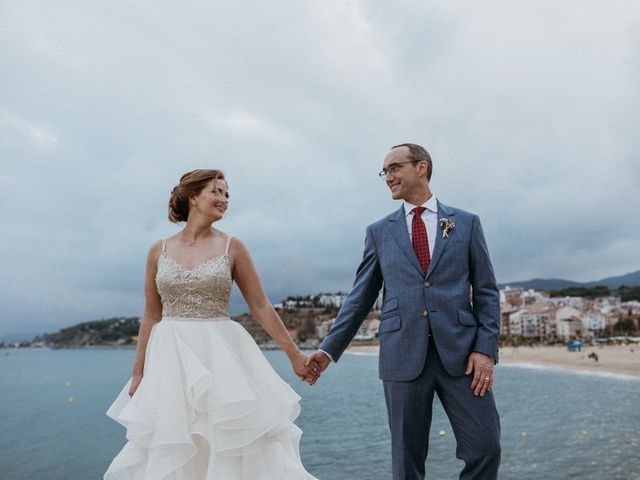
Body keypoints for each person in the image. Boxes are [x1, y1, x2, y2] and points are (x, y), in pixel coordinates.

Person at [105, 169, 320, 479]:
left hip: (221, 357)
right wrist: (138, 374)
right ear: (193, 197)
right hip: (171, 360)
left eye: (227, 194)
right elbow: (151, 314)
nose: (224, 199)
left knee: (227, 441)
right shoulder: (158, 250)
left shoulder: (234, 247)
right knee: (175, 443)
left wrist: (295, 355)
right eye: (216, 191)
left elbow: (259, 305)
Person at [308, 144, 501, 479]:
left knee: (486, 447)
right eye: (385, 171)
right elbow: (360, 298)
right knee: (406, 463)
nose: (388, 177)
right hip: (401, 356)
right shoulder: (379, 232)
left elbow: (486, 292)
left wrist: (485, 349)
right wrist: (328, 351)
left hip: (463, 355)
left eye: (394, 168)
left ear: (421, 167)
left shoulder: (466, 224)